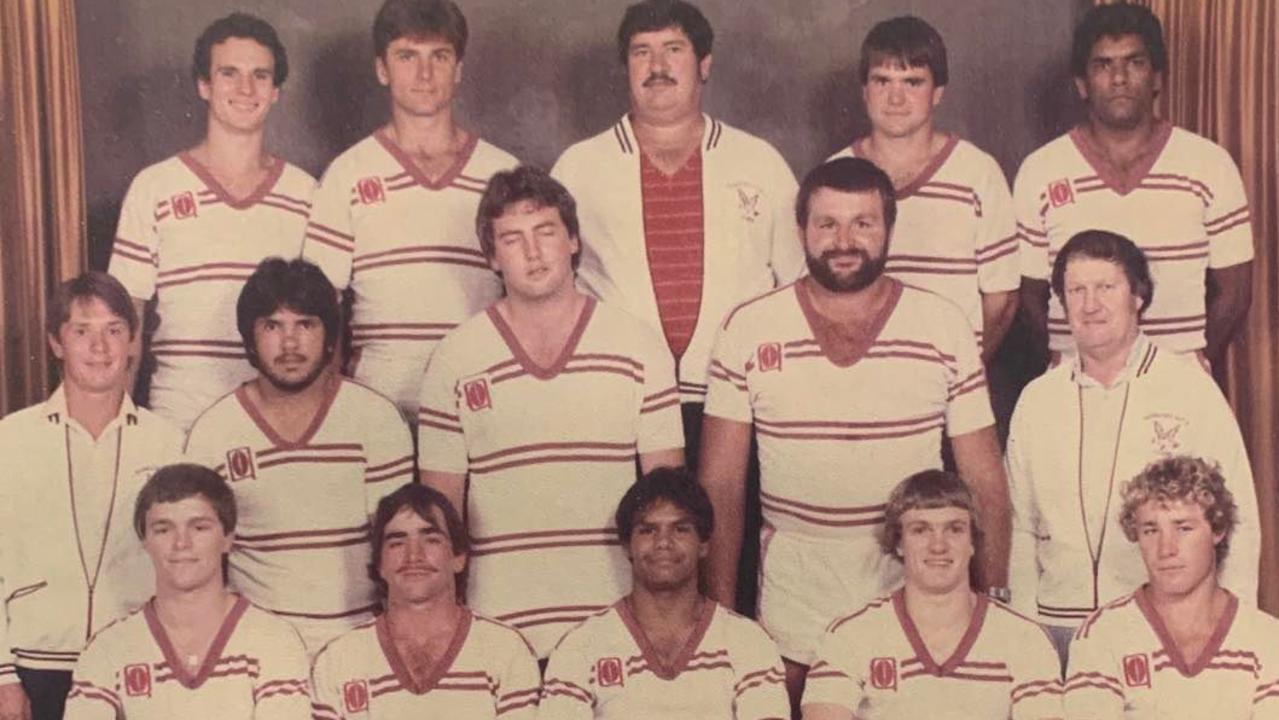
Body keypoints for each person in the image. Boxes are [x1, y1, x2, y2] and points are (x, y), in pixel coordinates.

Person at [699, 156, 1010, 708]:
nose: (844, 240)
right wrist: (724, 617)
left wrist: (991, 596)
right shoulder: (749, 328)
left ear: (888, 229)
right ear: (801, 232)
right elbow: (721, 484)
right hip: (796, 591)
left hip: (911, 583)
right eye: (827, 224)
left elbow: (983, 475)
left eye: (863, 223)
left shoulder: (942, 326)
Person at [417, 167, 684, 658]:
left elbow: (669, 504)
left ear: (574, 240)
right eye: (513, 240)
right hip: (499, 633)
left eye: (546, 232)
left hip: (618, 627)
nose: (534, 252)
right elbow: (440, 516)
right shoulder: (456, 358)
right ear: (493, 258)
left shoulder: (637, 346)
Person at [551, 0, 804, 459]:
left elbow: (798, 287)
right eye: (641, 52)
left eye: (673, 49)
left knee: (729, 530)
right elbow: (551, 293)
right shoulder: (579, 167)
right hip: (616, 398)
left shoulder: (759, 162)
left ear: (704, 64)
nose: (658, 66)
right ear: (625, 66)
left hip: (737, 402)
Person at [1006, 229, 1258, 657]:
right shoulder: (1038, 400)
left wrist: (1232, 625)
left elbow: (1239, 518)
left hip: (1161, 628)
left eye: (1106, 287)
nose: (1090, 304)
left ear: (1137, 297)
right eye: (1076, 290)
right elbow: (1020, 527)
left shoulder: (1188, 388)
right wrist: (1026, 635)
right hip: (1057, 628)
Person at [185, 258, 414, 656]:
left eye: (305, 324)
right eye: (272, 326)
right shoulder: (213, 433)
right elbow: (200, 567)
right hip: (254, 653)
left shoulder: (375, 419)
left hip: (360, 649)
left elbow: (398, 554)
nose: (289, 344)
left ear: (329, 336)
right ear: (250, 338)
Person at [303, 0, 518, 419]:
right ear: (382, 69)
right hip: (377, 405)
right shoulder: (347, 173)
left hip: (482, 401)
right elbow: (320, 306)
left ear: (458, 70)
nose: (424, 74)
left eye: (439, 56)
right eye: (407, 56)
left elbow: (529, 299)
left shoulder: (501, 172)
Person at [1015, 3, 1253, 370]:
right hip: (1077, 386)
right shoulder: (1041, 171)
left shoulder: (1210, 165)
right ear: (1081, 83)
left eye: (1135, 62)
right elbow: (1028, 295)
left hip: (1179, 384)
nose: (1120, 78)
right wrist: (1068, 361)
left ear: (1157, 77)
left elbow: (1235, 294)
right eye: (1103, 64)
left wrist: (1191, 362)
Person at [109, 12, 315, 432]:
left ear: (276, 91)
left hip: (279, 424)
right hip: (180, 417)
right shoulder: (155, 187)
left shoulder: (307, 194)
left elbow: (327, 328)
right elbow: (126, 323)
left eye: (260, 76)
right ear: (204, 84)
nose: (245, 89)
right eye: (229, 73)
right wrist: (121, 433)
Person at [0, 272, 184, 720]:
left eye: (114, 331)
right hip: (34, 668)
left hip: (138, 664)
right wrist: (4, 676)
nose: (99, 348)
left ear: (133, 342)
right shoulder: (11, 439)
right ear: (56, 343)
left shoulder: (169, 443)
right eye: (82, 331)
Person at [829, 15, 1018, 361]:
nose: (896, 98)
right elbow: (819, 290)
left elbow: (1001, 300)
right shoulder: (833, 175)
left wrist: (963, 374)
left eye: (913, 82)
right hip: (858, 378)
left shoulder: (978, 173)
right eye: (882, 81)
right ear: (864, 90)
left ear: (938, 93)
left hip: (950, 381)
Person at [802, 470, 1062, 720]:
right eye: (920, 530)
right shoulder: (851, 635)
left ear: (973, 541)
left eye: (955, 529)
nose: (938, 545)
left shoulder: (1025, 638)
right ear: (899, 543)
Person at [540, 468, 790, 719]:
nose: (663, 543)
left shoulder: (748, 642)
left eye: (680, 529)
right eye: (648, 530)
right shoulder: (582, 647)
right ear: (627, 545)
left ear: (703, 544)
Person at [63, 464, 310, 719]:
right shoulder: (109, 650)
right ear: (145, 541)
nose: (181, 543)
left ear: (227, 538)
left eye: (199, 527)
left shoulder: (274, 641)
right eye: (163, 529)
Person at [1063, 455, 1279, 719]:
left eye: (1184, 528)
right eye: (1151, 531)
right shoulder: (1103, 634)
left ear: (1218, 529)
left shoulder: (1266, 639)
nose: (1166, 549)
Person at [310, 483, 540, 719]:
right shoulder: (338, 660)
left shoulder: (506, 651)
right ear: (379, 564)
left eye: (431, 539)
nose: (414, 556)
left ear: (458, 558)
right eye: (397, 542)